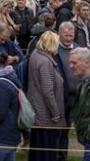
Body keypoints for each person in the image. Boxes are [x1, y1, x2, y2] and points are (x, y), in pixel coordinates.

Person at [26, 31, 67, 161]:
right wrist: (55, 113)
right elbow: (47, 90)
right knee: (46, 149)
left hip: (38, 109)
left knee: (37, 148)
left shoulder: (36, 55)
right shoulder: (45, 62)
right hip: (45, 115)